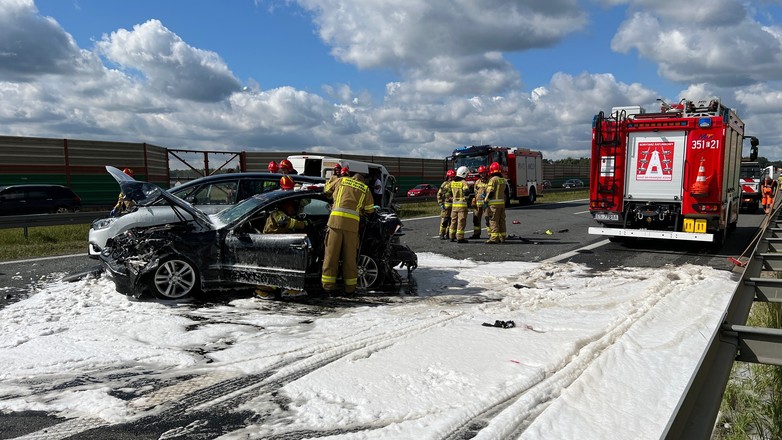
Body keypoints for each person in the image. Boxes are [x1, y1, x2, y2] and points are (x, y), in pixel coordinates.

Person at [322, 166, 375, 296]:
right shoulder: (365, 189)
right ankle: (350, 289)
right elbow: (370, 210)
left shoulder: (342, 181)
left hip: (335, 224)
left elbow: (326, 189)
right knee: (350, 259)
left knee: (331, 256)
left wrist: (334, 177)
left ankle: (328, 287)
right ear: (362, 181)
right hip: (352, 227)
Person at [255, 198, 309, 299]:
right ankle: (285, 290)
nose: (294, 210)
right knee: (283, 268)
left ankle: (277, 290)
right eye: (292, 207)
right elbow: (285, 223)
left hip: (277, 245)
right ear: (286, 206)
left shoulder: (281, 213)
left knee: (279, 270)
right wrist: (304, 224)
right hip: (273, 246)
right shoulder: (277, 214)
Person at [485, 162, 507, 244]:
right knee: (502, 221)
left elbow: (490, 191)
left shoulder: (493, 179)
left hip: (493, 205)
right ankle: (503, 237)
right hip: (501, 203)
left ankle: (494, 238)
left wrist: (486, 200)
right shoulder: (503, 180)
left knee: (493, 220)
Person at [448, 166, 471, 243]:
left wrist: (451, 197)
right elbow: (466, 192)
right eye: (467, 174)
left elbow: (447, 191)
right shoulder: (463, 182)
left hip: (454, 206)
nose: (467, 176)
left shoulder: (452, 182)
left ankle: (451, 236)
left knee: (453, 221)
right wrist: (467, 197)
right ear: (463, 174)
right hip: (462, 206)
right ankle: (460, 238)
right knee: (461, 221)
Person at [470, 165, 491, 239]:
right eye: (481, 173)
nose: (482, 174)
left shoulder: (489, 181)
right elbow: (475, 192)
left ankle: (491, 234)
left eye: (484, 173)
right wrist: (474, 200)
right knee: (476, 219)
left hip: (486, 205)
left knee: (488, 219)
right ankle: (476, 234)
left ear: (486, 173)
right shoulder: (477, 182)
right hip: (478, 205)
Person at [437, 170, 455, 239]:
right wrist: (441, 203)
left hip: (454, 206)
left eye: (453, 177)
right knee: (444, 220)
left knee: (452, 221)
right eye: (450, 177)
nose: (451, 178)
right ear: (447, 177)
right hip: (446, 205)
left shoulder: (455, 184)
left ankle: (449, 234)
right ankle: (442, 234)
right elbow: (439, 194)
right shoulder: (444, 184)